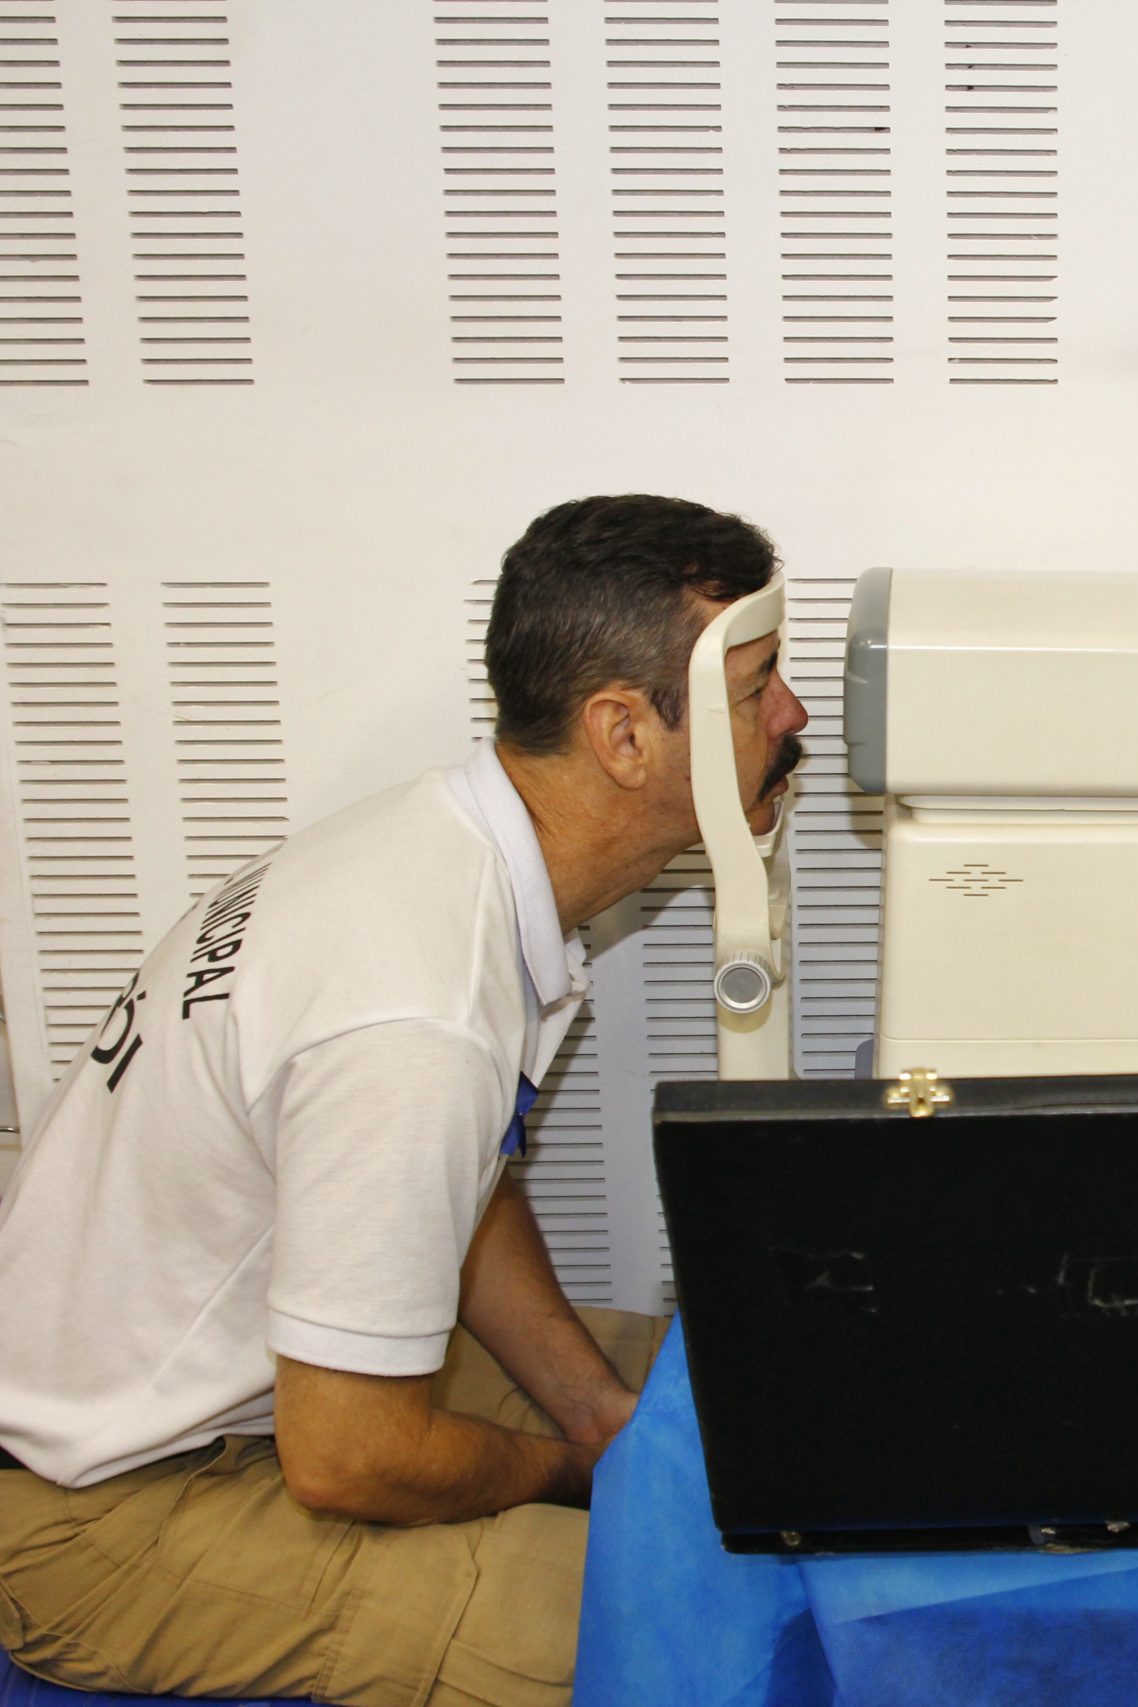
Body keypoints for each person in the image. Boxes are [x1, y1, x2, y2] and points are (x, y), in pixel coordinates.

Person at [0, 495, 810, 1705]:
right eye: (754, 689)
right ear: (624, 734)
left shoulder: (446, 855)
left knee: (752, 1409)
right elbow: (353, 1459)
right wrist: (580, 1477)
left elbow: (460, 1174)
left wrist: (596, 1413)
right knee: (714, 1642)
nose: (793, 715)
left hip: (245, 1395)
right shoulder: (415, 1011)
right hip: (100, 1512)